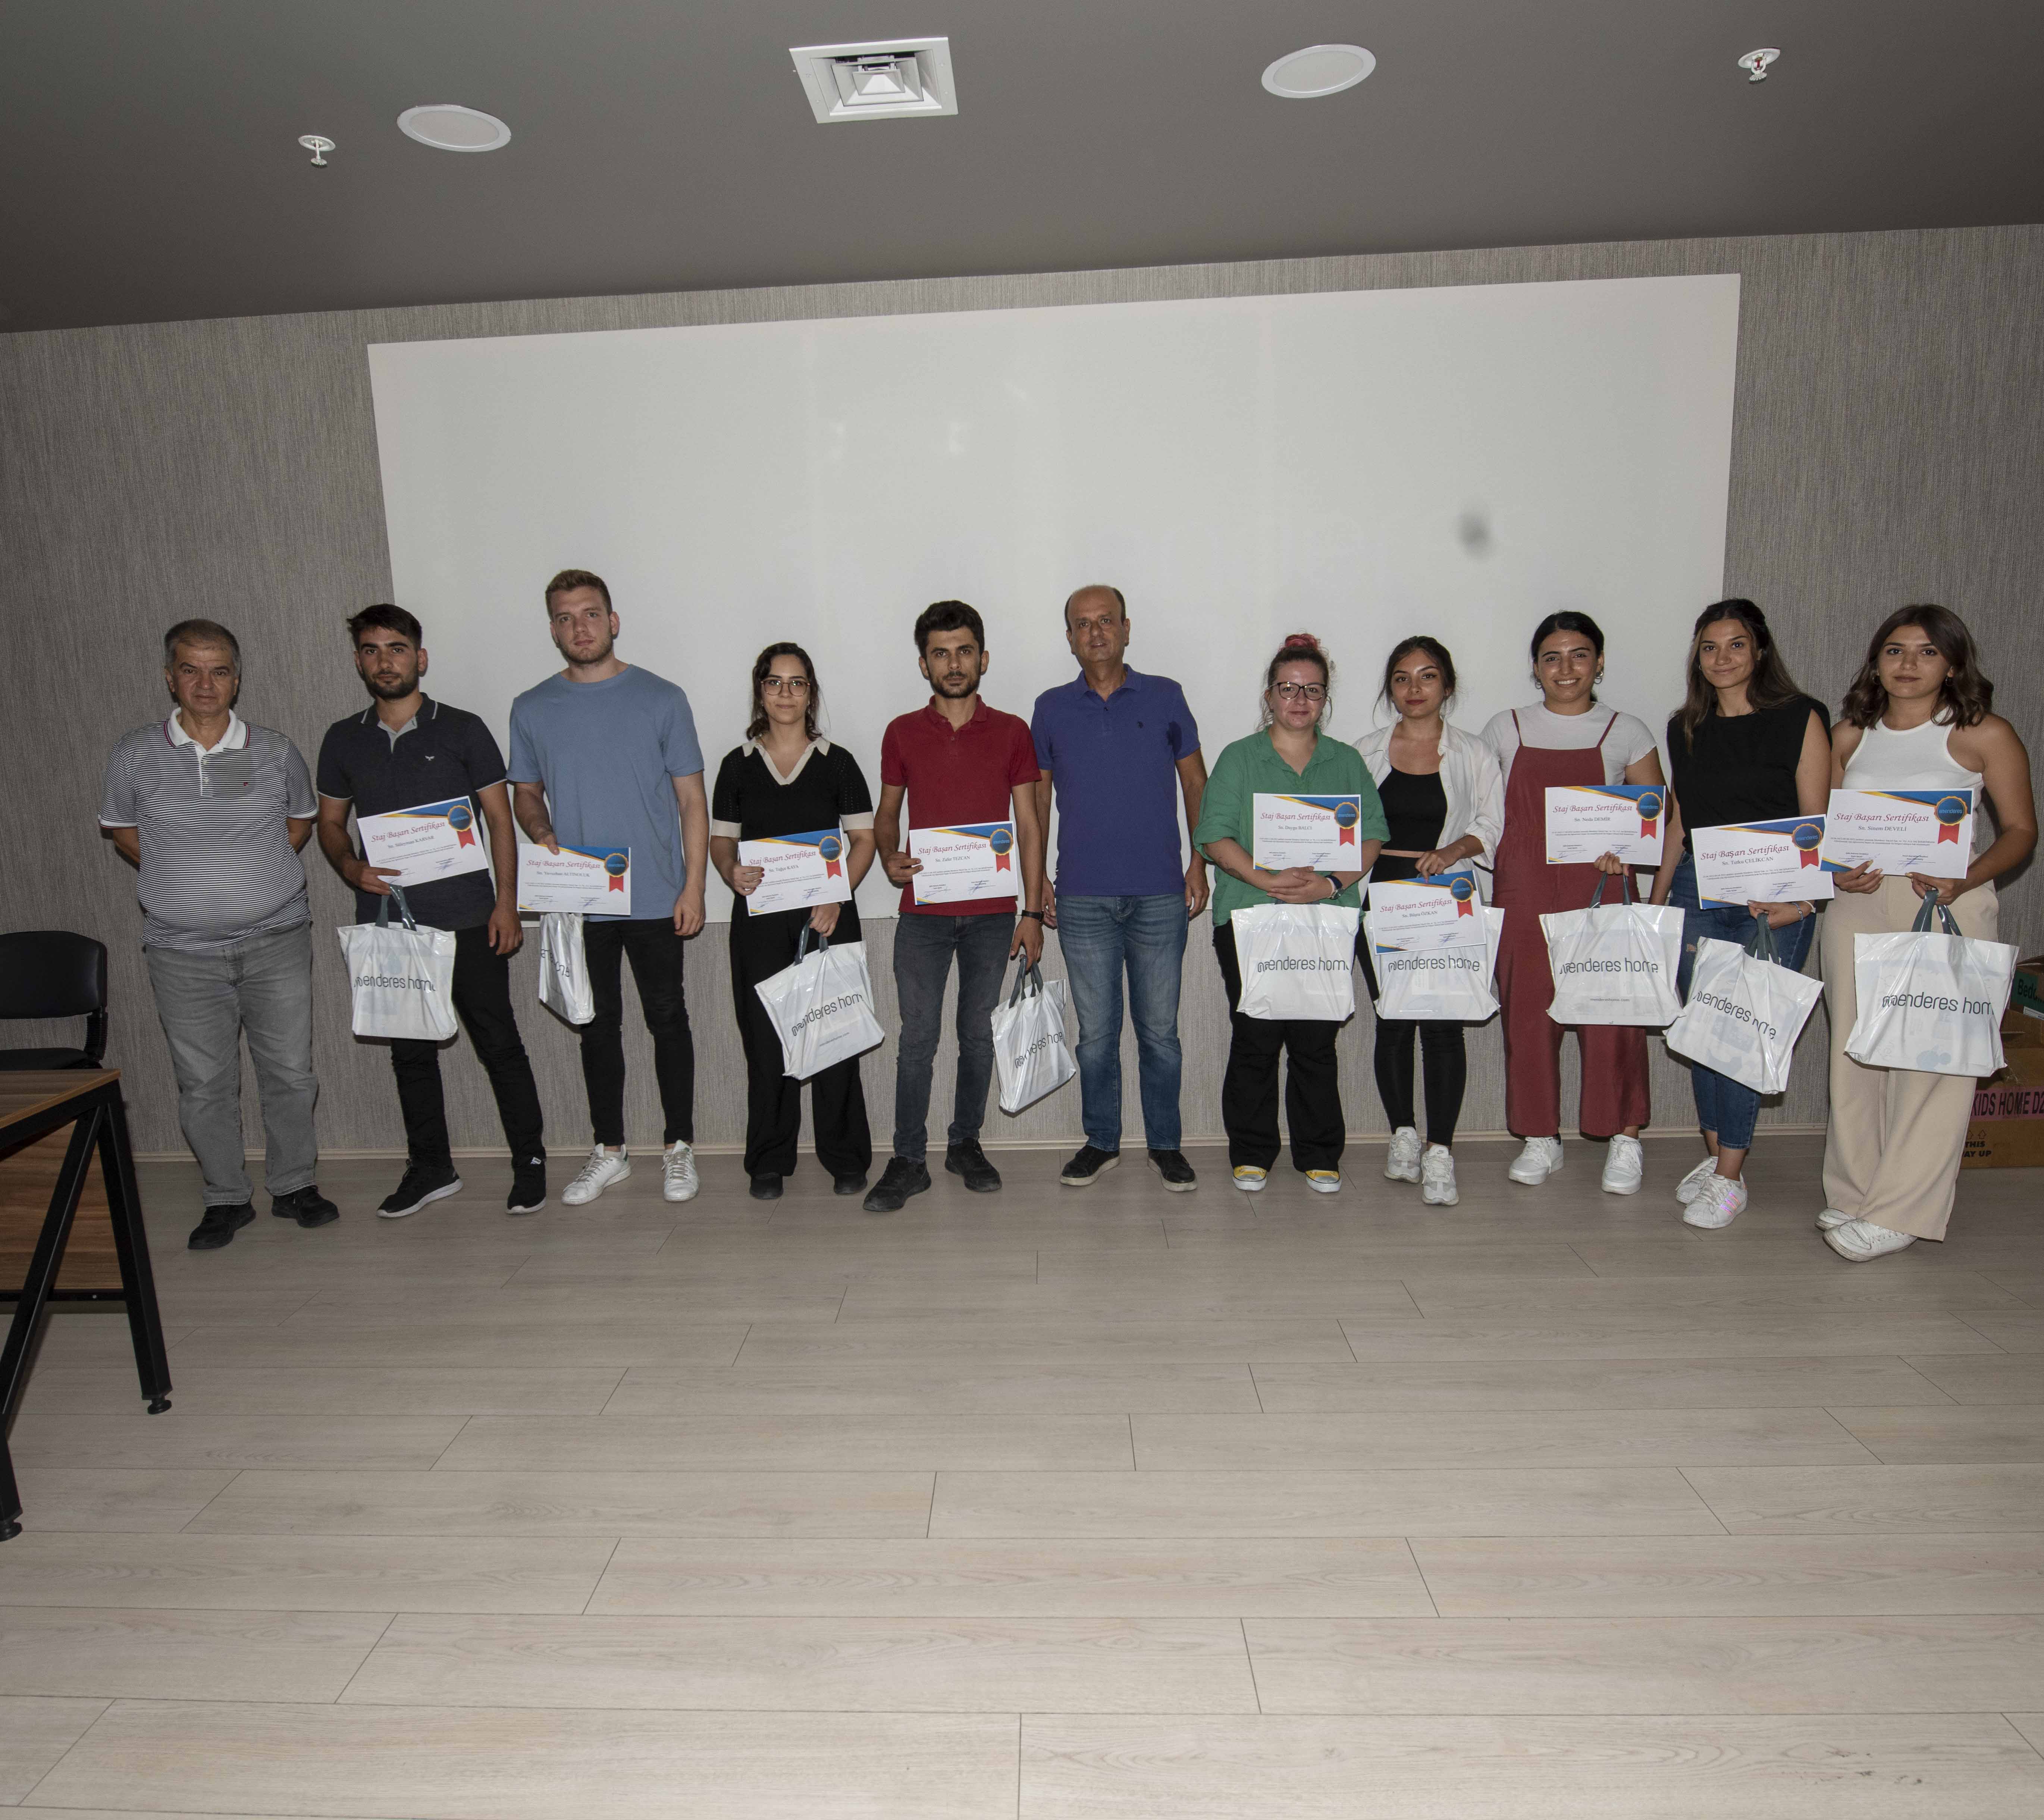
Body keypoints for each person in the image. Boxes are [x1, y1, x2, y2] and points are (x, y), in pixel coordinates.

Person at [97, 620, 337, 1249]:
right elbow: (123, 830)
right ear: (170, 677)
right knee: (204, 1083)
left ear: (237, 679)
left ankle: (294, 1185)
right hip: (180, 951)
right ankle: (226, 1197)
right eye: (191, 670)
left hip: (277, 940)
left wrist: (248, 878)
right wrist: (183, 878)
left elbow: (299, 823)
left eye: (219, 670)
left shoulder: (276, 750)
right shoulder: (133, 753)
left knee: (290, 1072)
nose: (205, 684)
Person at [315, 604, 547, 1218]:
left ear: (419, 658)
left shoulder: (464, 729)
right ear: (359, 661)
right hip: (390, 923)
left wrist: (506, 904)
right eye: (371, 650)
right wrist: (351, 868)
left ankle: (530, 1163)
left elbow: (499, 820)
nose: (384, 661)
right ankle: (431, 1168)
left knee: (499, 1044)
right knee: (410, 1055)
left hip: (470, 917)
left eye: (396, 648)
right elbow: (331, 825)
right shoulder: (343, 739)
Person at [1819, 605, 2035, 1261]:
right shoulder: (1848, 735)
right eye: (1894, 650)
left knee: (1933, 1057)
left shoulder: (1982, 733)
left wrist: (1966, 879)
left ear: (1952, 664)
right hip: (1859, 904)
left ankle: (1903, 1210)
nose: (1908, 664)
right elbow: (1828, 828)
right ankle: (1857, 1191)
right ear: (1876, 661)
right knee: (1855, 1049)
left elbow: (2021, 832)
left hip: (1948, 902)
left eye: (1927, 652)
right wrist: (1836, 870)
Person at [509, 569, 708, 1206]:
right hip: (579, 899)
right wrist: (539, 828)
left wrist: (694, 887)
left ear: (613, 621)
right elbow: (525, 793)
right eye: (566, 618)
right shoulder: (531, 707)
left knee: (668, 1019)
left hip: (655, 895)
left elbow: (692, 801)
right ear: (553, 629)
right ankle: (610, 1150)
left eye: (591, 614)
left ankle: (679, 1147)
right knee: (596, 1026)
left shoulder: (663, 698)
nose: (580, 627)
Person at [1648, 601, 1830, 1230]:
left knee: (1745, 1033)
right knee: (1703, 1032)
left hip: (1776, 894)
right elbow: (1680, 820)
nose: (1722, 658)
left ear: (1760, 651)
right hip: (1697, 888)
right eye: (1709, 647)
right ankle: (1717, 1161)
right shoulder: (1685, 726)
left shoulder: (1801, 717)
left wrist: (1804, 902)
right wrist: (1658, 901)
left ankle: (1730, 1177)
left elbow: (1817, 822)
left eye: (1736, 645)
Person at [866, 600, 1047, 1213]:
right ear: (924, 664)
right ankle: (908, 1160)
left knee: (977, 1035)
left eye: (964, 651)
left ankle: (965, 1144)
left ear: (983, 659)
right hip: (922, 915)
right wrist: (889, 856)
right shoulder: (901, 732)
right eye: (940, 653)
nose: (953, 663)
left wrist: (1031, 912)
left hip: (994, 916)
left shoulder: (1012, 731)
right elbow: (887, 815)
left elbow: (1029, 823)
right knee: (917, 1039)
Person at [1031, 585, 1208, 1193]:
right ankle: (1102, 1141)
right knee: (1097, 1037)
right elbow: (1037, 802)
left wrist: (1200, 863)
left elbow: (1196, 785)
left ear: (1127, 629)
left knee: (1160, 1034)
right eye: (1083, 624)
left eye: (1106, 621)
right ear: (1070, 638)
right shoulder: (1051, 708)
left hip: (1160, 893)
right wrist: (1037, 882)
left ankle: (1166, 1145)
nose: (1096, 632)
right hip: (1081, 896)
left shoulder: (1166, 695)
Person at [1193, 633, 1385, 1194]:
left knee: (1315, 1042)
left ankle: (1319, 1153)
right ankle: (1252, 1152)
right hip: (1251, 918)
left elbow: (1372, 836)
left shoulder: (1345, 761)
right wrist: (1266, 879)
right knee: (1255, 1038)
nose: (1300, 700)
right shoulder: (1239, 758)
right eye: (1288, 689)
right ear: (1269, 696)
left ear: (1326, 699)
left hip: (1326, 919)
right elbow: (1213, 836)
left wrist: (1330, 883)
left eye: (1312, 690)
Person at [1481, 612, 1666, 1194]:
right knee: (1528, 1017)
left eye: (1580, 654)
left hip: (1602, 887)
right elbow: (1482, 812)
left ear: (1600, 661)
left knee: (1613, 1015)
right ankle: (1541, 1137)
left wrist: (1628, 853)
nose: (1566, 668)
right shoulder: (1505, 728)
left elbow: (1654, 816)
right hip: (1523, 887)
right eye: (1552, 657)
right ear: (1536, 667)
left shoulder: (1627, 730)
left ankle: (1625, 1139)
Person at [710, 643, 878, 1201]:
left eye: (797, 683)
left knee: (836, 1035)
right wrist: (730, 871)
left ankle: (845, 1157)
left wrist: (837, 895)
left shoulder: (839, 762)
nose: (786, 693)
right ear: (760, 691)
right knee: (766, 1042)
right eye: (775, 682)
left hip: (828, 919)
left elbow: (863, 840)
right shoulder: (737, 765)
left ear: (811, 694)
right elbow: (721, 842)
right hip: (759, 923)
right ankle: (769, 1160)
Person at [1354, 636, 1503, 1208]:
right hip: (1381, 900)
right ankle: (1403, 1135)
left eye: (1427, 676)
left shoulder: (1473, 752)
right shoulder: (1364, 752)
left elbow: (1492, 823)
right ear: (1390, 690)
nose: (1414, 688)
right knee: (1393, 1021)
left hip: (1445, 899)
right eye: (1402, 678)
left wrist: (1456, 849)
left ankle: (1441, 1151)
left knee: (1442, 1025)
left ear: (1448, 685)